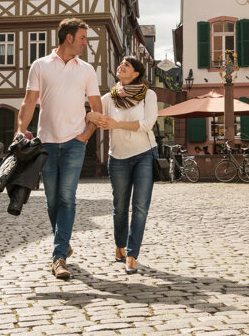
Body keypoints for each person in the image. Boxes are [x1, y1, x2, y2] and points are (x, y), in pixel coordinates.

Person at [16, 18, 102, 281]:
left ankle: (58, 257)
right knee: (52, 200)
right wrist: (20, 130)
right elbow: (29, 102)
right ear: (69, 38)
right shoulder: (40, 65)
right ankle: (63, 241)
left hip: (75, 142)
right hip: (47, 142)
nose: (86, 43)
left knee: (67, 197)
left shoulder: (87, 70)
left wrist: (86, 136)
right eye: (83, 38)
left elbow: (96, 108)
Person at [86, 56, 157, 275]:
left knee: (140, 207)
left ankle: (132, 255)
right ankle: (119, 245)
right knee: (119, 208)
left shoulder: (148, 95)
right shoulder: (109, 98)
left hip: (144, 154)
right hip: (117, 157)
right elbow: (96, 117)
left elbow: (148, 124)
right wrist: (91, 115)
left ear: (136, 73)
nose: (121, 66)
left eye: (127, 65)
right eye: (121, 64)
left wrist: (117, 124)